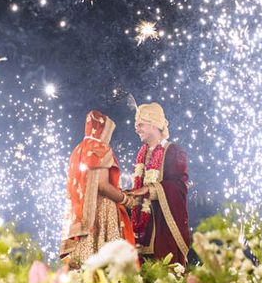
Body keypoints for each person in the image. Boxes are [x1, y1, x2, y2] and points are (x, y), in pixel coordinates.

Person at [59, 110, 137, 268]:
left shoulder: (78, 150)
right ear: (103, 129)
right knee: (105, 259)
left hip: (81, 214)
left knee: (82, 261)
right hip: (101, 212)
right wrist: (126, 200)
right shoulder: (99, 148)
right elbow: (102, 185)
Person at [127, 102, 191, 266]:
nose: (136, 128)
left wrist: (149, 190)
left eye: (140, 124)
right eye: (136, 124)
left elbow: (179, 186)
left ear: (155, 124)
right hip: (143, 229)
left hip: (163, 228)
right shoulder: (142, 154)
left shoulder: (173, 151)